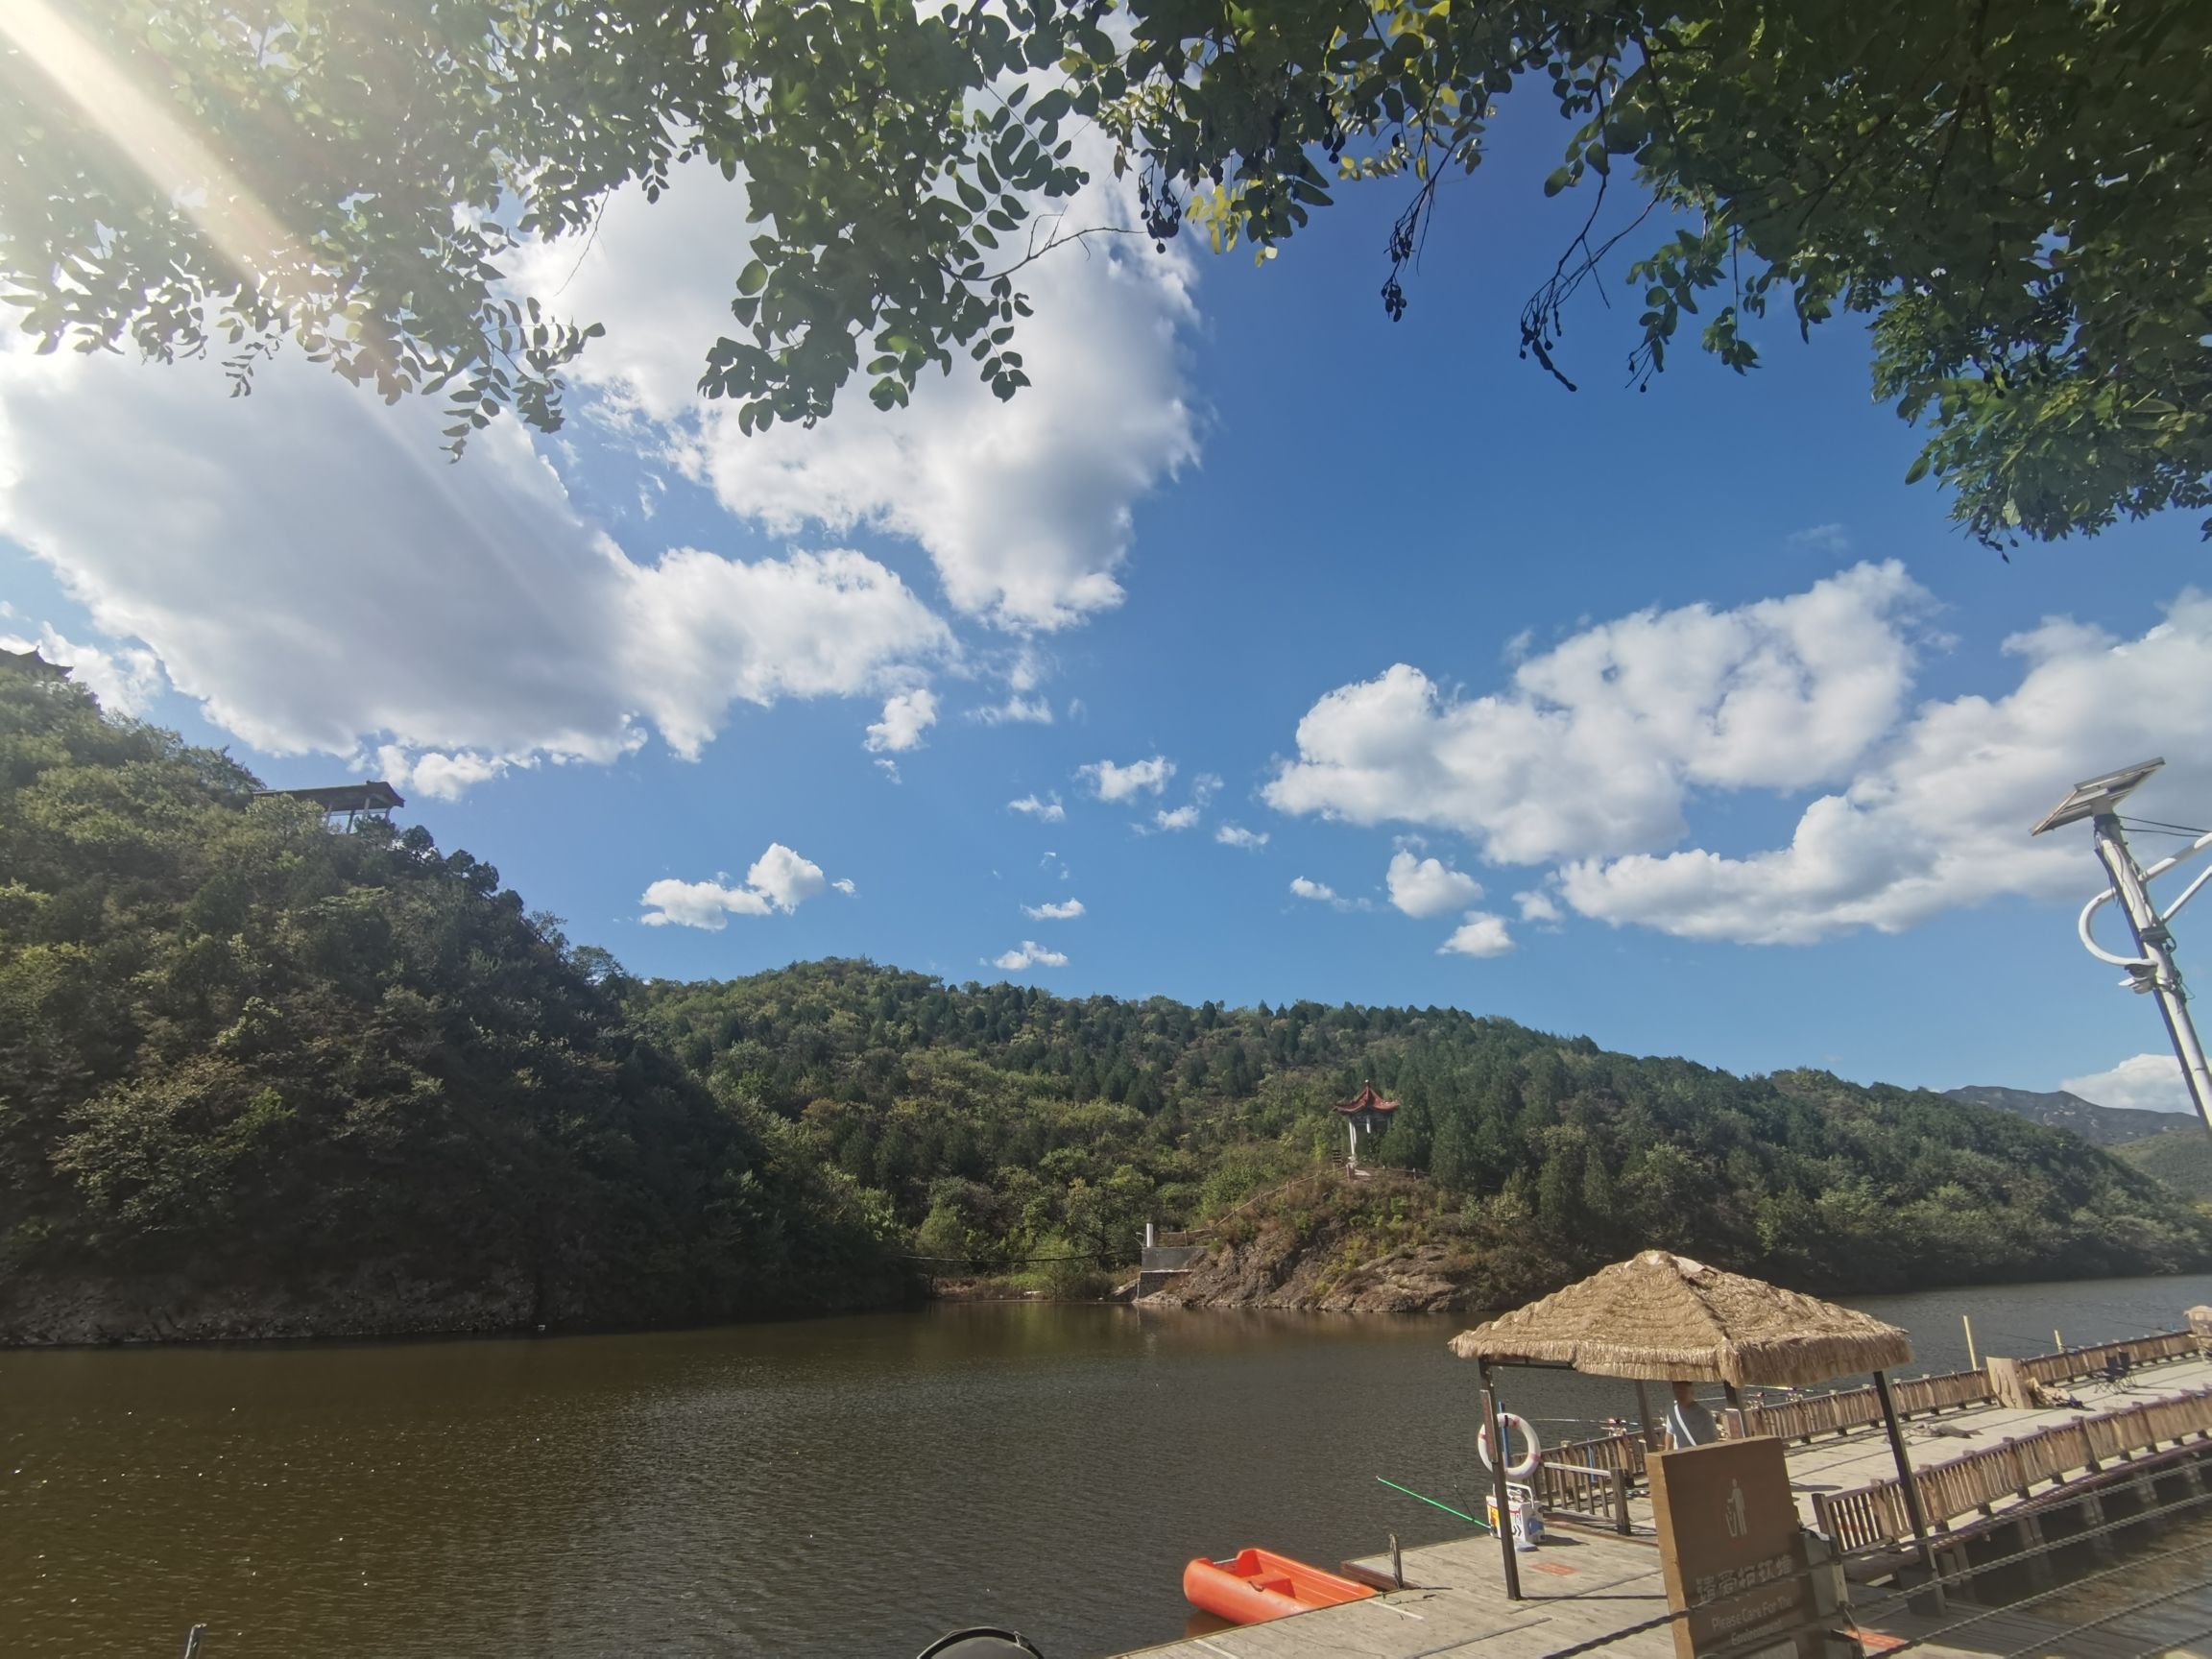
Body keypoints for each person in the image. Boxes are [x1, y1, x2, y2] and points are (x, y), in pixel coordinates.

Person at [1665, 1380, 1721, 1449]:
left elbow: (1712, 1441)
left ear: (1691, 1392)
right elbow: (1669, 1433)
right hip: (1681, 1455)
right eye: (1677, 1391)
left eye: (1682, 1391)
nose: (1679, 1395)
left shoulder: (1704, 1414)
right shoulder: (1673, 1412)